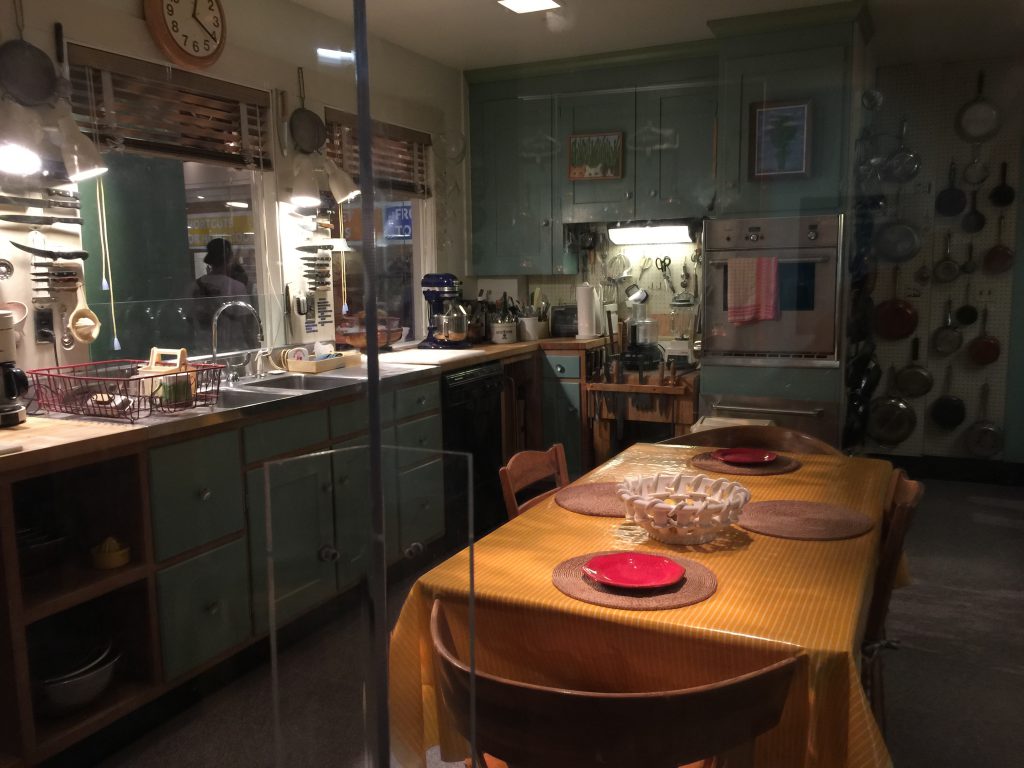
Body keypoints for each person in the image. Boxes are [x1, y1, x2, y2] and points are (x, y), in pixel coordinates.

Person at [191, 238, 256, 353]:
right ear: (229, 258)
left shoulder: (195, 286)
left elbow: (190, 319)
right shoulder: (236, 287)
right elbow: (246, 324)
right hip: (233, 349)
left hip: (204, 349)